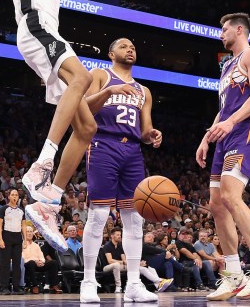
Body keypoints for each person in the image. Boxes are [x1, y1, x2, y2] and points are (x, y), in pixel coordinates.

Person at [12, 0, 104, 252]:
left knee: (87, 128)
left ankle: (48, 201)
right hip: (35, 26)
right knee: (82, 77)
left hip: (49, 34)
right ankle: (43, 162)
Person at [195, 13, 250, 301]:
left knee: (231, 196)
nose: (221, 34)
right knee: (216, 205)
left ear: (239, 29)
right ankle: (233, 274)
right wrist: (208, 136)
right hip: (226, 134)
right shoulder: (227, 65)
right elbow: (224, 108)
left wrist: (230, 123)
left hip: (247, 129)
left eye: (225, 29)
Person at [78, 38, 164, 303]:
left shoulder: (144, 91)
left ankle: (135, 283)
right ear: (111, 53)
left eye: (134, 47)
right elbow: (82, 109)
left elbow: (144, 129)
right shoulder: (100, 75)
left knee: (135, 219)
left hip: (133, 151)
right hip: (103, 144)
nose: (130, 49)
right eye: (125, 46)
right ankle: (89, 281)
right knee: (99, 214)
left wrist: (151, 135)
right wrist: (106, 93)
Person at [0, 188, 25, 295]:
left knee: (17, 263)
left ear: (18, 197)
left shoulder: (21, 210)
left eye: (16, 195)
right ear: (9, 196)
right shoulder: (3, 209)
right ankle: (4, 287)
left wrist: (25, 240)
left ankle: (17, 287)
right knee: (5, 263)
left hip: (17, 237)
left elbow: (23, 225)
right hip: (6, 235)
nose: (14, 196)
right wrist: (0, 239)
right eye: (12, 195)